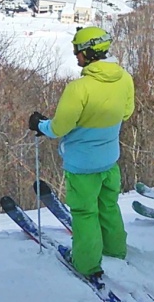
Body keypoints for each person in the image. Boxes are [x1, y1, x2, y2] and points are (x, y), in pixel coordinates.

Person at [28, 26, 134, 282]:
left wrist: (39, 125)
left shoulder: (80, 88)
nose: (76, 57)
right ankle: (115, 250)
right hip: (110, 160)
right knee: (108, 206)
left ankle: (87, 264)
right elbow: (126, 113)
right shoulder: (124, 78)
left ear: (87, 52)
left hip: (82, 165)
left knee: (85, 213)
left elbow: (59, 127)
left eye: (77, 51)